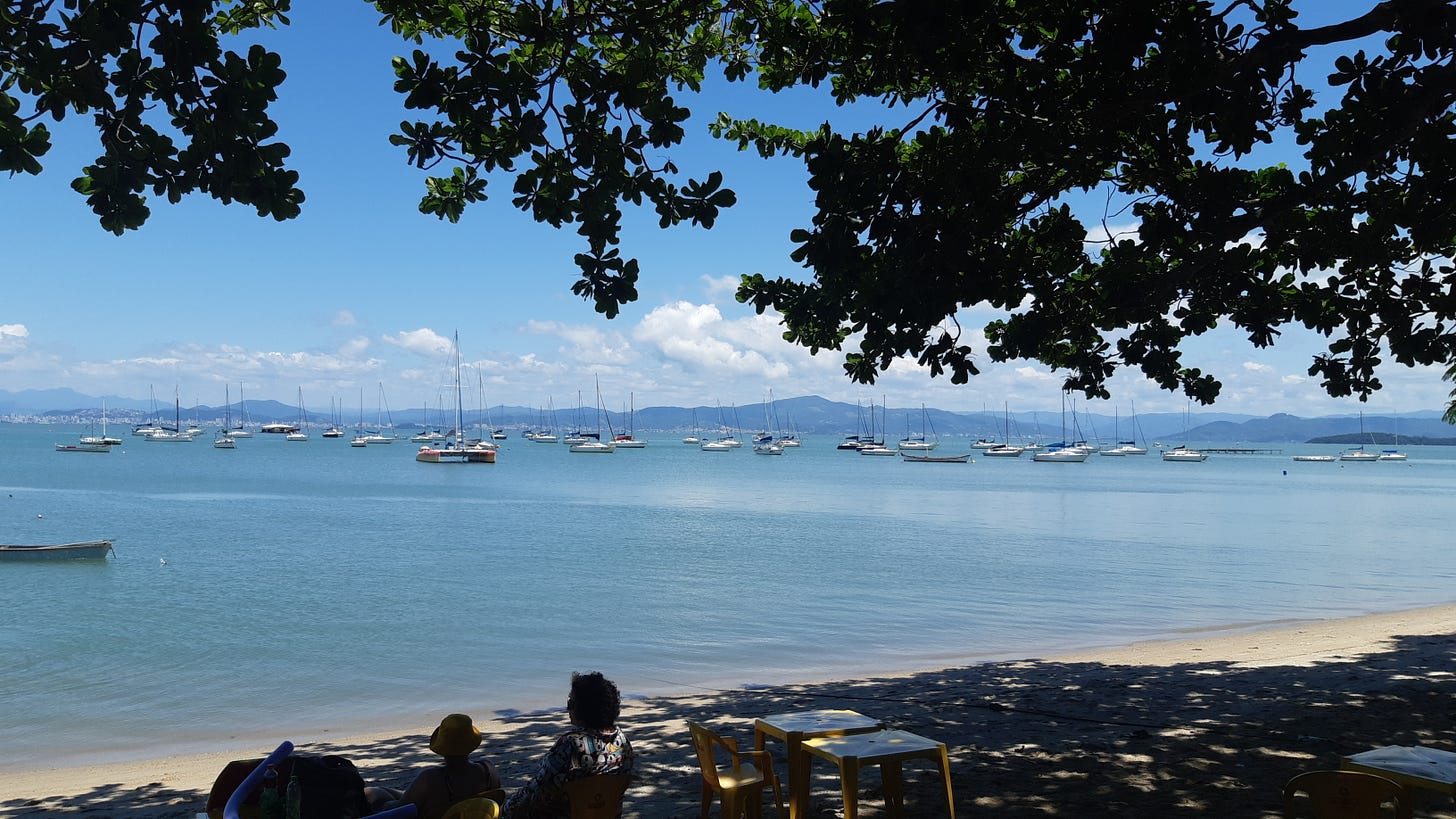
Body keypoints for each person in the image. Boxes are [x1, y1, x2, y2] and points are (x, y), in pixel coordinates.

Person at [503, 671, 634, 819]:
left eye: (570, 703)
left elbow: (538, 792)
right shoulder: (624, 744)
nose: (567, 709)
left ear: (584, 708)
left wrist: (505, 809)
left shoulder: (570, 745)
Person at [366, 713, 502, 819]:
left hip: (436, 811)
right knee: (386, 791)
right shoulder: (488, 770)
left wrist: (383, 804)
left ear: (442, 746)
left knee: (372, 793)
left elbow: (401, 809)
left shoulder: (431, 779)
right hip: (469, 812)